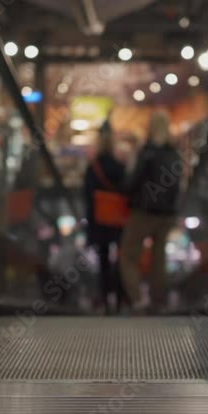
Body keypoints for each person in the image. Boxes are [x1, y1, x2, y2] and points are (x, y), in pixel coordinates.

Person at [120, 110, 182, 312]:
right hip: (166, 214)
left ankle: (138, 299)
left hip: (145, 211)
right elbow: (177, 185)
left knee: (129, 255)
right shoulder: (174, 153)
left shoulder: (147, 152)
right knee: (159, 257)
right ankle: (158, 300)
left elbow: (134, 182)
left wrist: (127, 192)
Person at [83, 119, 126, 313]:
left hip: (99, 221)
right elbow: (128, 191)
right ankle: (119, 298)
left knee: (103, 261)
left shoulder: (93, 168)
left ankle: (105, 300)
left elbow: (87, 196)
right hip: (117, 220)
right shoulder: (120, 166)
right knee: (120, 259)